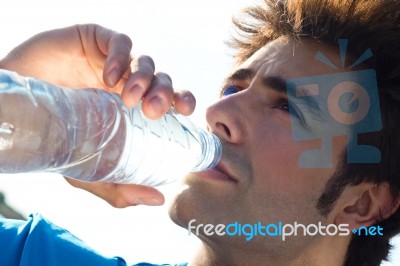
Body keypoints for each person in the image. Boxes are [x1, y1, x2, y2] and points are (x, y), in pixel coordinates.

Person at [1, 1, 400, 266]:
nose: (216, 112)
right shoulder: (28, 255)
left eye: (287, 107)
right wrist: (14, 98)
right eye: (232, 89)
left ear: (361, 204)